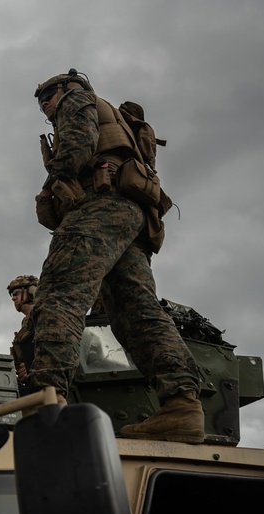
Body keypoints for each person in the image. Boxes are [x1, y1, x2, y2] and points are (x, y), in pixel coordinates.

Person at [27, 69, 204, 443]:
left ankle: (46, 402)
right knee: (134, 309)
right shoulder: (113, 115)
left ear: (65, 89)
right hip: (131, 216)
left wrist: (52, 184)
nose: (45, 105)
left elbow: (76, 149)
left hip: (99, 207)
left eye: (47, 95)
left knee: (60, 294)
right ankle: (181, 406)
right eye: (40, 100)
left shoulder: (77, 99)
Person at [7, 275, 37, 391]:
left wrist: (32, 367)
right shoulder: (26, 324)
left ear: (31, 292)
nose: (13, 298)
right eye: (12, 295)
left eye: (16, 293)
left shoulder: (45, 317)